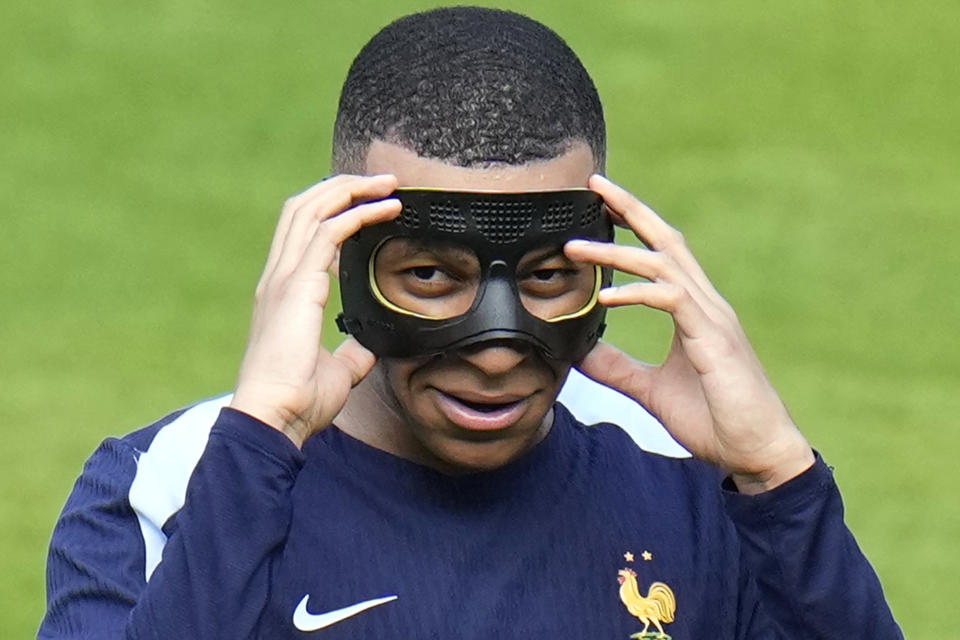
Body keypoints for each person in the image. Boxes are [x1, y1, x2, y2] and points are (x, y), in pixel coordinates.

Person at [39, 7, 902, 639]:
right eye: (428, 276)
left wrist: (777, 476)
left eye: (547, 277)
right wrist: (261, 440)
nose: (496, 350)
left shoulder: (697, 486)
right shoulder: (166, 488)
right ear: (338, 261)